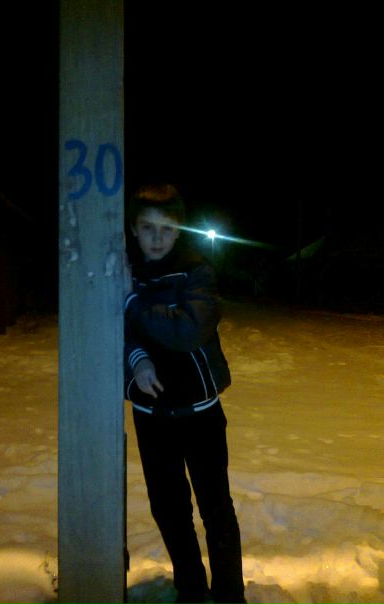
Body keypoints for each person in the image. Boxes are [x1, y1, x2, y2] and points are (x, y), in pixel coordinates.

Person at [124, 183, 247, 604]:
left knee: (216, 508)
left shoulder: (196, 270)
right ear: (134, 229)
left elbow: (189, 330)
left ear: (179, 230)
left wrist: (133, 306)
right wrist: (137, 358)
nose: (157, 237)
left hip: (200, 413)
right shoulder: (125, 272)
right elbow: (112, 330)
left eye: (167, 228)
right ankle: (191, 590)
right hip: (151, 417)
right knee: (169, 509)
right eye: (148, 227)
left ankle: (229, 595)